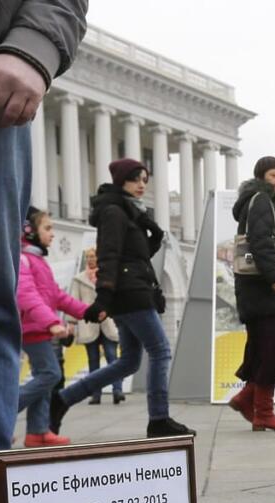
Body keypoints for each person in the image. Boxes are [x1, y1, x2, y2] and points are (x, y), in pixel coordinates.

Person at [0, 0, 88, 503]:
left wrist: (31, 48)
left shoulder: (34, 259)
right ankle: (41, 425)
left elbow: (20, 298)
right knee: (43, 372)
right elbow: (32, 294)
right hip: (43, 325)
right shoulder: (36, 260)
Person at [52, 158, 193, 438]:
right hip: (130, 293)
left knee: (128, 361)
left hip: (134, 289)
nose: (142, 185)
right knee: (160, 350)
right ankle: (159, 418)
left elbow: (134, 255)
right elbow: (110, 254)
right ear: (121, 180)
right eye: (136, 179)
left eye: (144, 180)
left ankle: (62, 400)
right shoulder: (114, 211)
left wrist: (151, 233)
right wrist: (103, 297)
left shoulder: (129, 211)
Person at [226, 156, 275, 432]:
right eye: (274, 174)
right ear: (261, 176)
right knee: (272, 347)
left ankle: (248, 398)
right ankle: (263, 411)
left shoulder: (265, 201)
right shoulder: (261, 199)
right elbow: (260, 241)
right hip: (262, 287)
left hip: (262, 288)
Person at [16, 206, 93, 446]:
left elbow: (57, 296)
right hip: (32, 329)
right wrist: (51, 323)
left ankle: (37, 432)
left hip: (39, 328)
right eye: (47, 228)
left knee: (45, 376)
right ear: (29, 231)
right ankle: (0, 415)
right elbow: (26, 296)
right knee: (51, 373)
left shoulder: (38, 260)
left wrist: (87, 311)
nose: (52, 233)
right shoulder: (24, 260)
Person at [70, 246, 124, 405]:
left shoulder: (108, 277)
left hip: (108, 323)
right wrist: (71, 323)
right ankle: (96, 394)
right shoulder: (79, 279)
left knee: (113, 359)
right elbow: (73, 302)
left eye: (93, 256)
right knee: (93, 362)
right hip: (89, 324)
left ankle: (117, 390)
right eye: (88, 257)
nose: (90, 259)